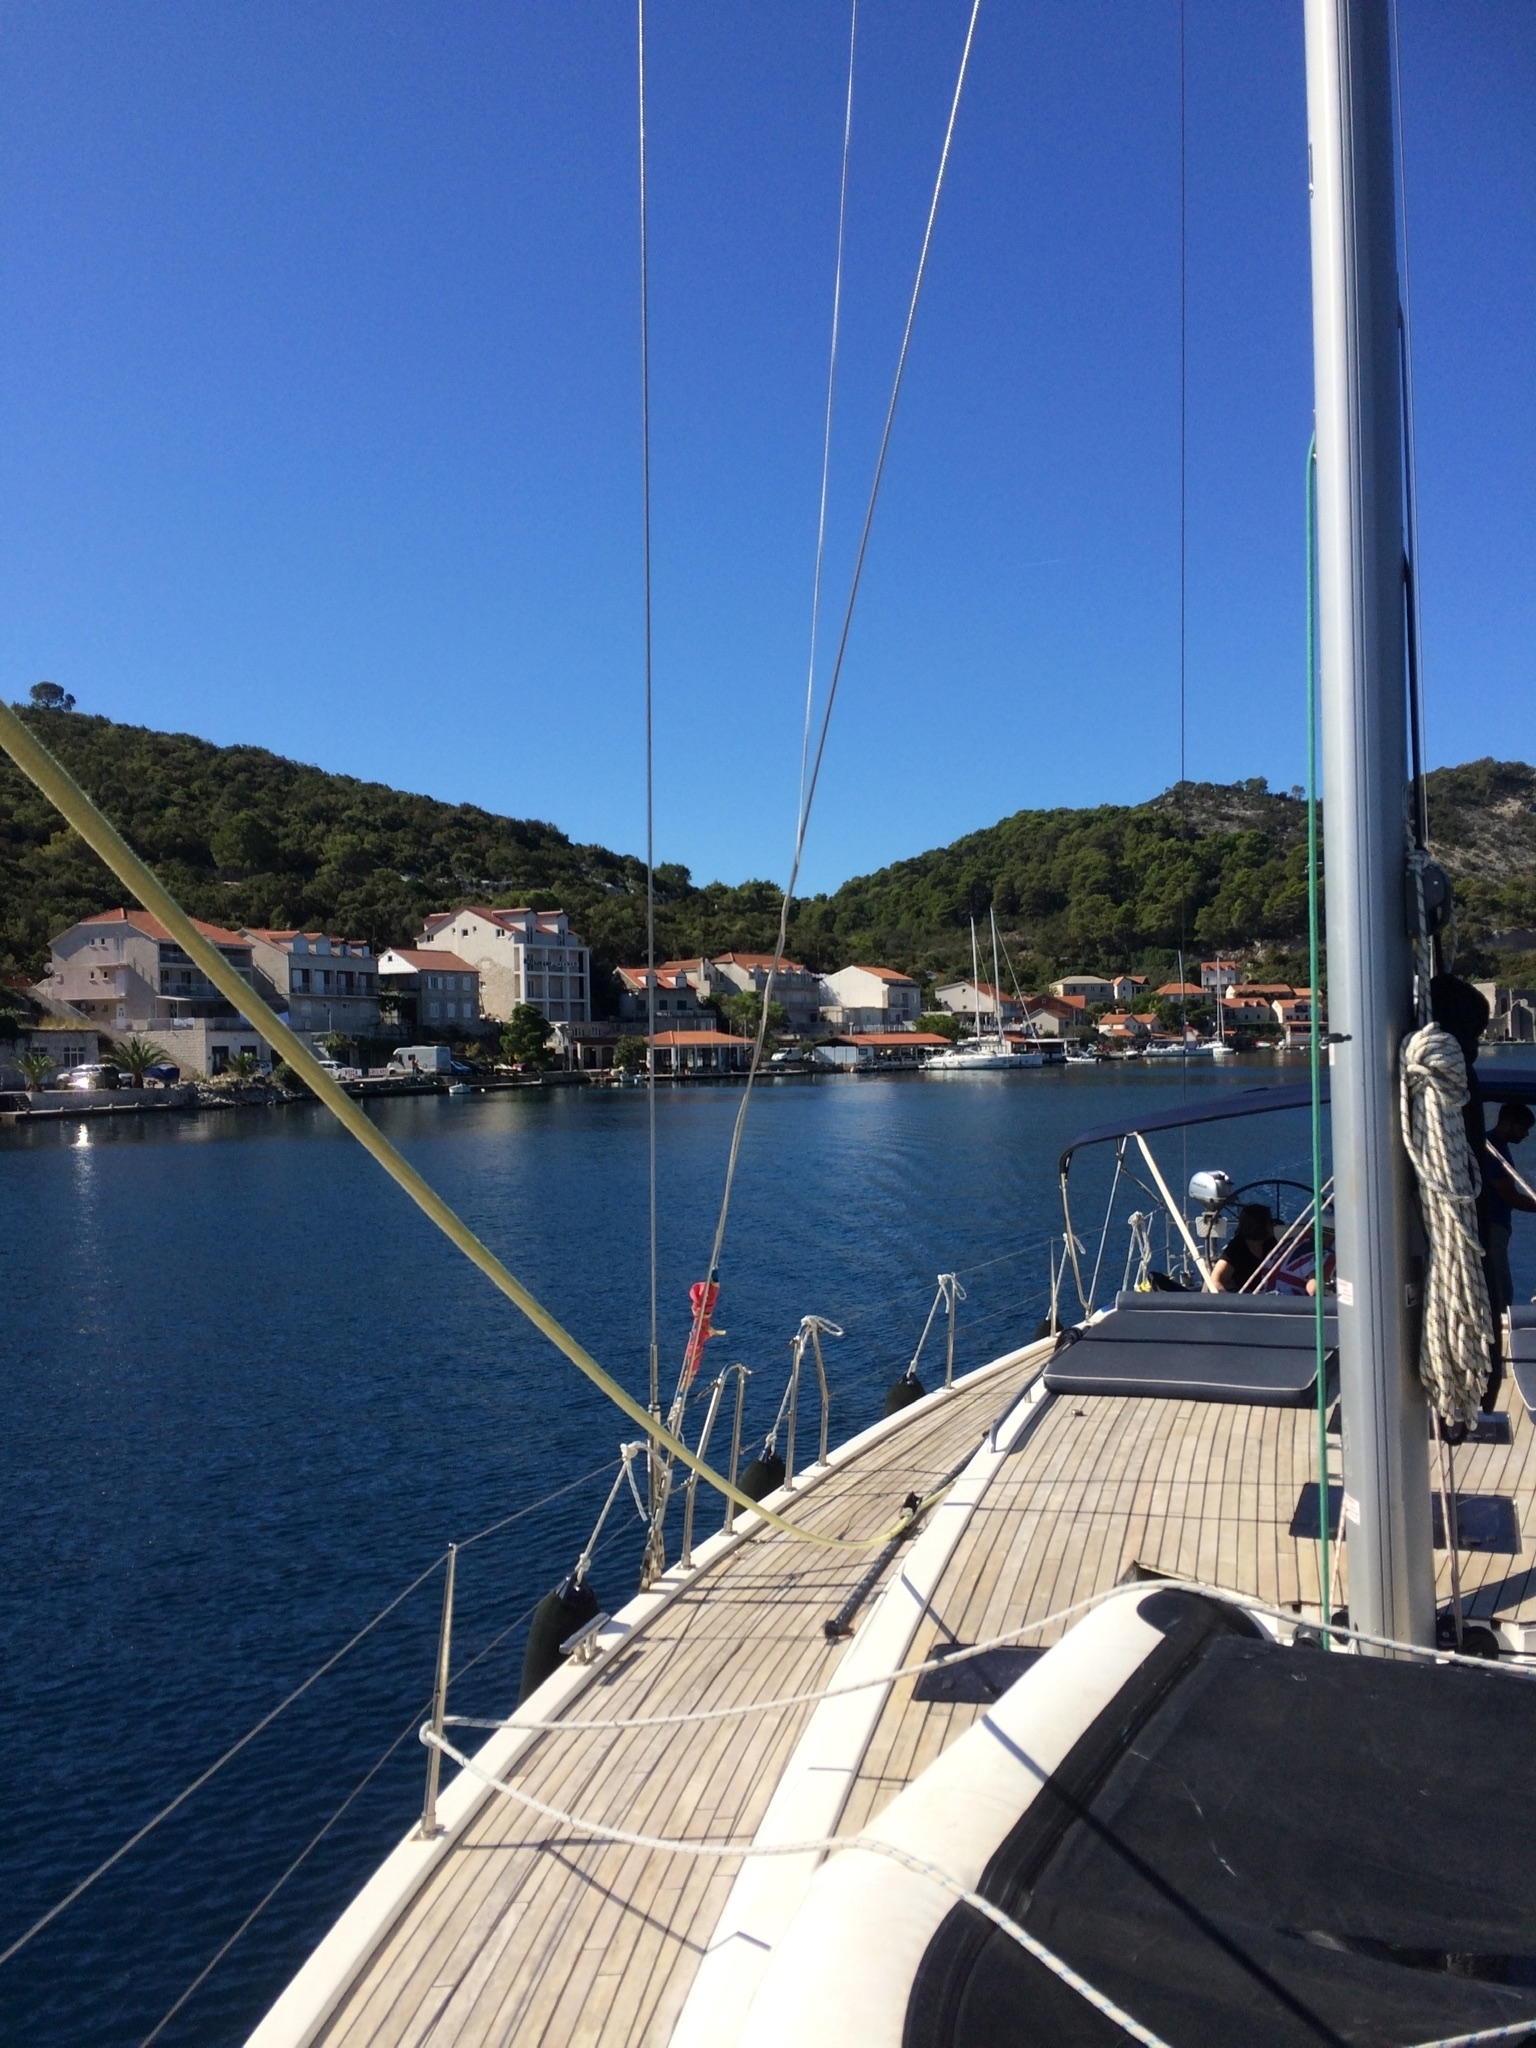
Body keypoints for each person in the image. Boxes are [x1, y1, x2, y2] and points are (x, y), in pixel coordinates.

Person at [1484, 1101, 1536, 1322]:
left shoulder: (1496, 1147)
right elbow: (1510, 1196)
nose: (1526, 1134)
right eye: (1523, 1128)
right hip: (1492, 1227)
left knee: (1503, 1287)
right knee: (1501, 1290)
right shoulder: (1491, 1149)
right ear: (1507, 1123)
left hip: (1498, 1228)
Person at [1212, 1204, 1278, 1292]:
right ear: (1259, 1225)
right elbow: (1216, 1280)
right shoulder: (1237, 1247)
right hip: (1243, 1299)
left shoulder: (1270, 1243)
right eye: (1270, 1222)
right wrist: (1228, 1300)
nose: (1274, 1225)